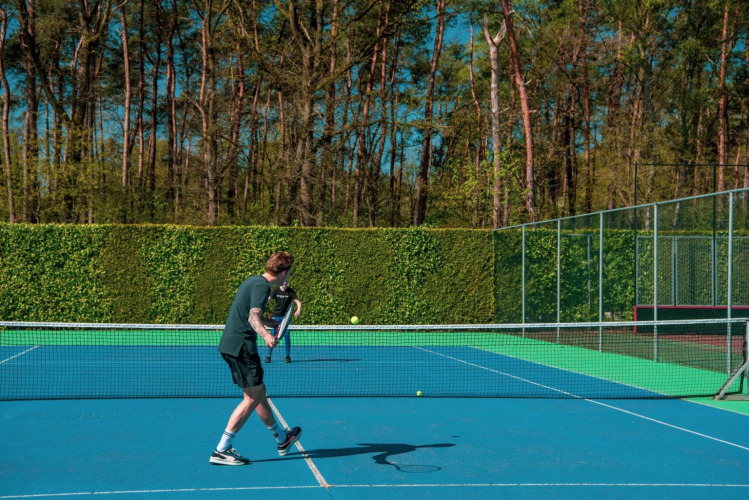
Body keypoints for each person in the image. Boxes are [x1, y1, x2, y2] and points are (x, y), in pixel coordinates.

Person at [209, 251, 302, 466]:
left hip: (234, 344)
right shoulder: (262, 287)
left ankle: (281, 438)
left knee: (259, 392)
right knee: (251, 398)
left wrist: (270, 323)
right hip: (241, 347)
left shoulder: (253, 280)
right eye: (290, 272)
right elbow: (252, 317)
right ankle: (221, 450)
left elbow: (250, 315)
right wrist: (268, 335)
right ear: (284, 272)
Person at [265, 281, 302, 363]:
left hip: (286, 318)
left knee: (287, 335)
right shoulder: (276, 290)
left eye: (286, 282)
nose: (284, 283)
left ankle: (287, 356)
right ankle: (268, 356)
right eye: (283, 282)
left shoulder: (290, 291)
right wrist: (262, 306)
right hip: (275, 316)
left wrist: (298, 310)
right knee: (272, 335)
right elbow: (268, 300)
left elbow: (298, 302)